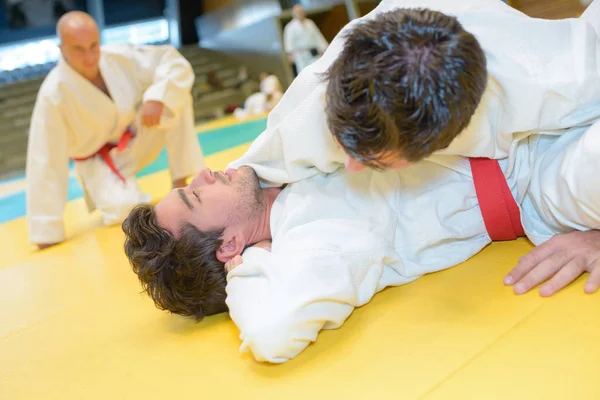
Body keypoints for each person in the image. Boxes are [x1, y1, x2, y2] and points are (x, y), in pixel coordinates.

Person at [122, 120, 600, 363]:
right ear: (227, 245)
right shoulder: (310, 239)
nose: (205, 173)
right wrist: (246, 268)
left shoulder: (270, 167)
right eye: (195, 195)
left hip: (515, 117)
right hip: (540, 178)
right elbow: (272, 333)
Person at [227, 0, 600, 284]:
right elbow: (281, 142)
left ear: (435, 142)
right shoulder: (374, 48)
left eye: (374, 158)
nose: (352, 166)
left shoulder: (560, 85)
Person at [26, 11, 204, 249]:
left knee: (174, 99)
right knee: (126, 211)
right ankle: (122, 195)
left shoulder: (119, 57)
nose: (89, 56)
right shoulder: (53, 94)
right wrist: (46, 228)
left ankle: (180, 183)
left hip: (137, 137)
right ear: (61, 49)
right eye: (79, 49)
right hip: (99, 161)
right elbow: (45, 159)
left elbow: (174, 63)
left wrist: (157, 97)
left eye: (94, 45)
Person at [283, 4, 328, 74]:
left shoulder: (310, 23)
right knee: (304, 73)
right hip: (300, 55)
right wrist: (290, 54)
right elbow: (289, 42)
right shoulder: (290, 27)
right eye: (298, 12)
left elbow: (317, 36)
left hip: (313, 52)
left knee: (319, 71)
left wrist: (323, 49)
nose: (300, 13)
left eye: (301, 11)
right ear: (293, 13)